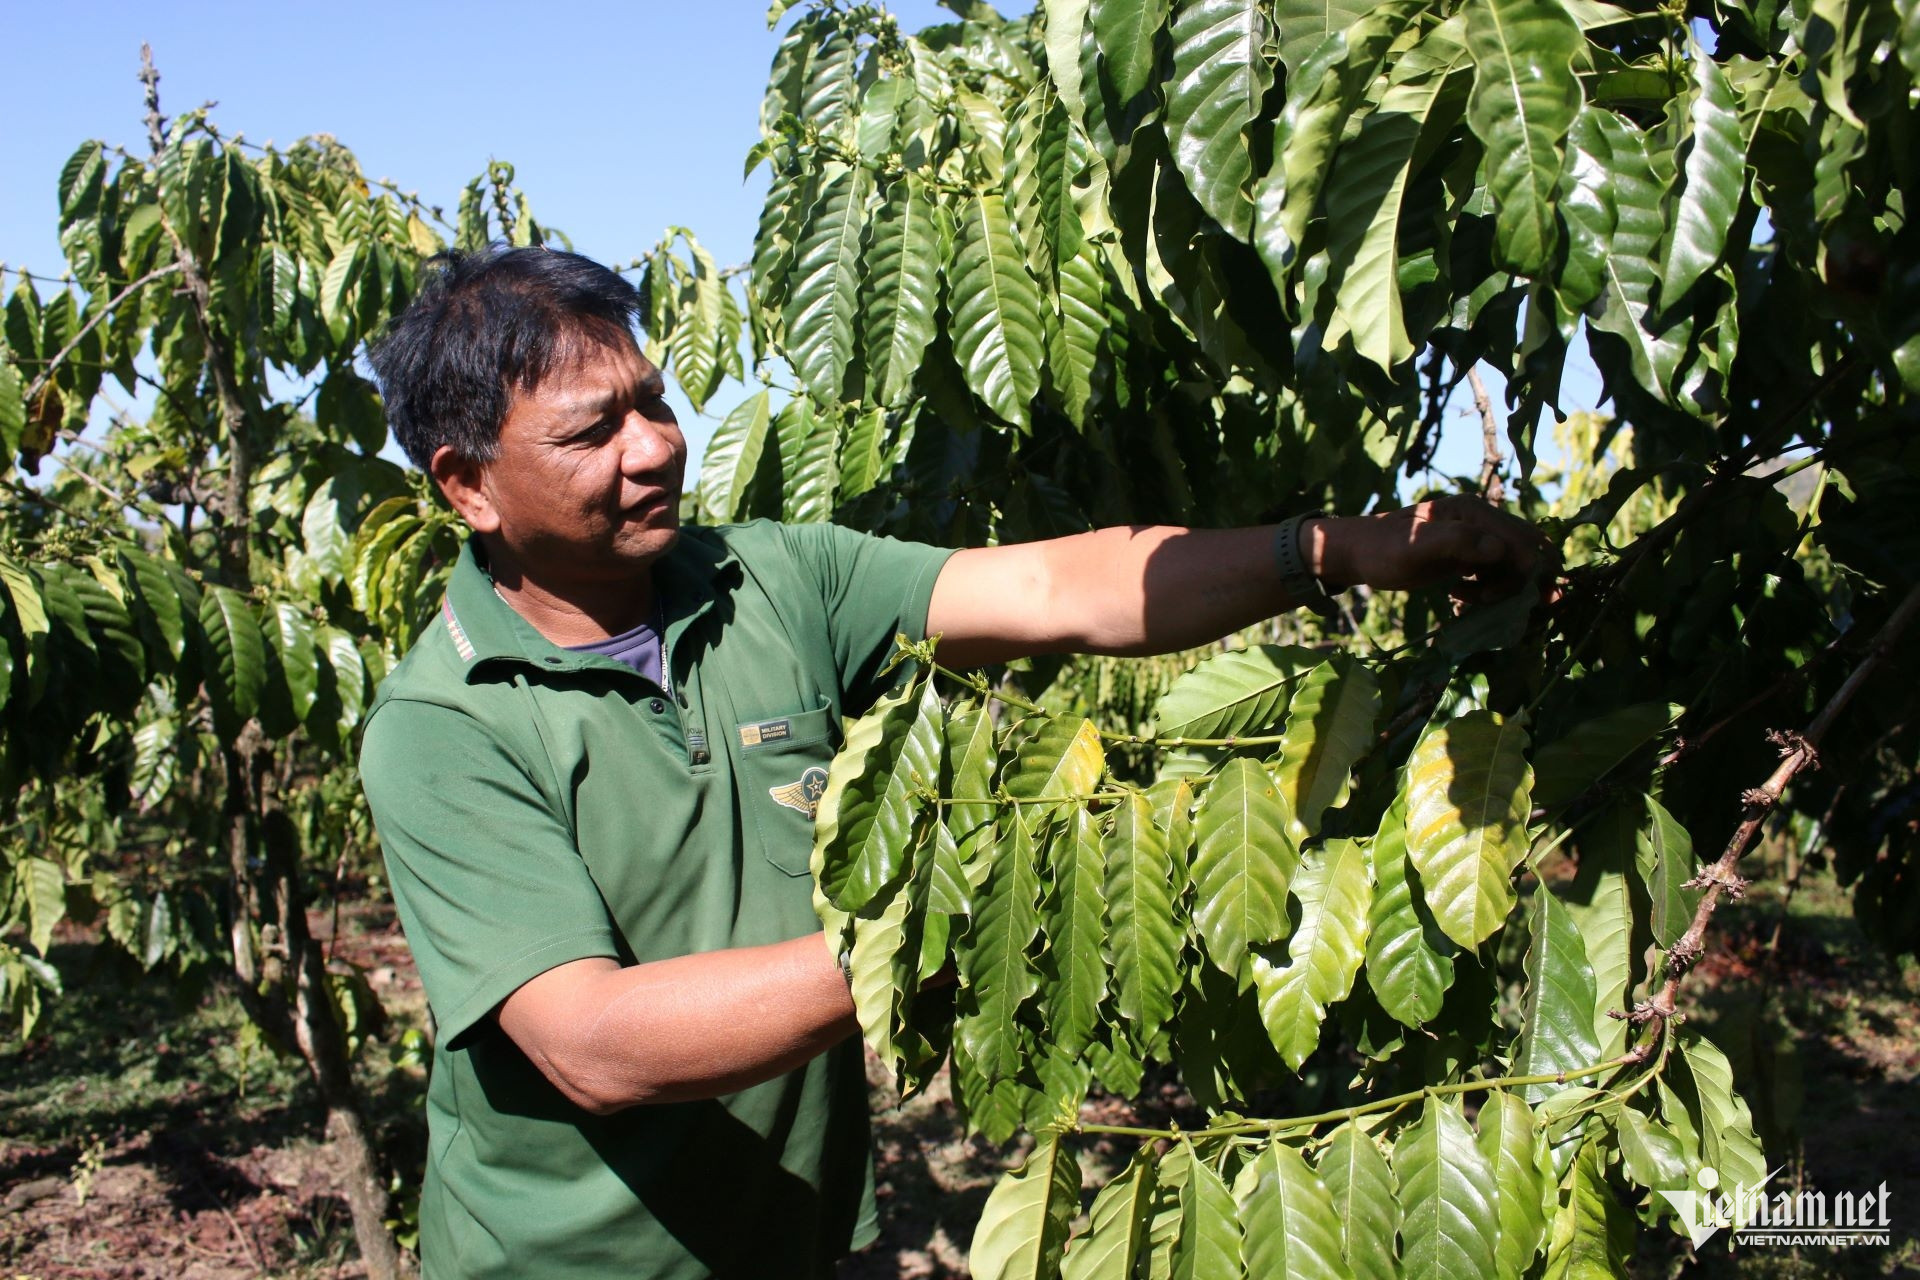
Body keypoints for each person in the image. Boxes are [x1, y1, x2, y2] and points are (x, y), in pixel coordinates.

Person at [359, 245, 1546, 1279]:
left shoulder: (767, 577)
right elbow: (593, 1041)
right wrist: (945, 924)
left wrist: (1338, 548)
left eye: (653, 402)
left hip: (799, 1228)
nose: (656, 447)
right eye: (593, 430)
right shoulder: (444, 721)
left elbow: (1056, 585)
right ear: (466, 483)